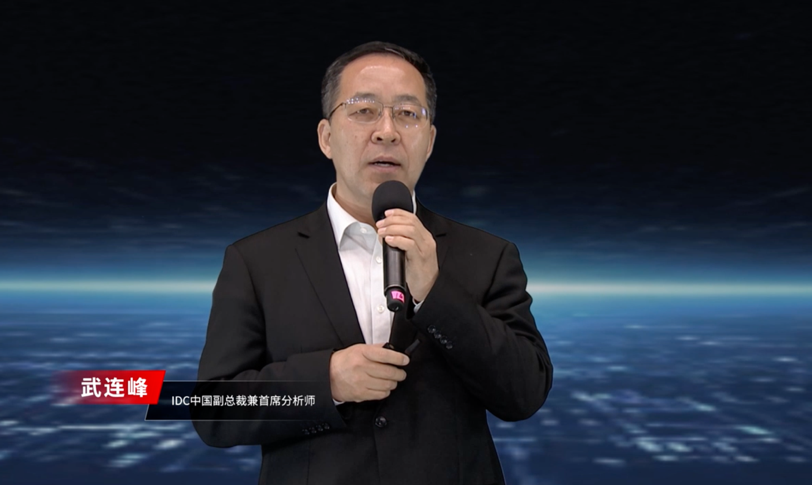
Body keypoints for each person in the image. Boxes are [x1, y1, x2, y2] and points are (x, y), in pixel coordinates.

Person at [193, 41, 553, 485]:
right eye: (364, 110)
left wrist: (436, 292)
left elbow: (524, 394)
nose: (387, 131)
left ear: (429, 141)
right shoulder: (256, 261)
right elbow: (213, 410)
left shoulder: (489, 255)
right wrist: (325, 383)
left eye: (407, 113)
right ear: (326, 137)